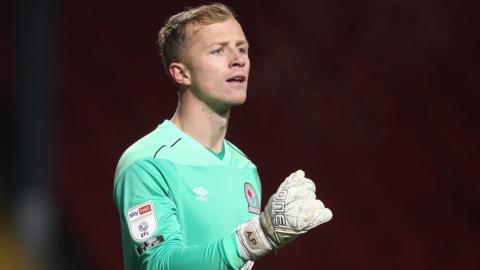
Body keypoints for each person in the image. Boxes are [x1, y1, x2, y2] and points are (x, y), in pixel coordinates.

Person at [113, 3, 333, 270]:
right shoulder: (147, 163)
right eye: (218, 50)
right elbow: (160, 264)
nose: (238, 59)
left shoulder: (245, 169)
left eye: (242, 49)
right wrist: (257, 238)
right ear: (181, 73)